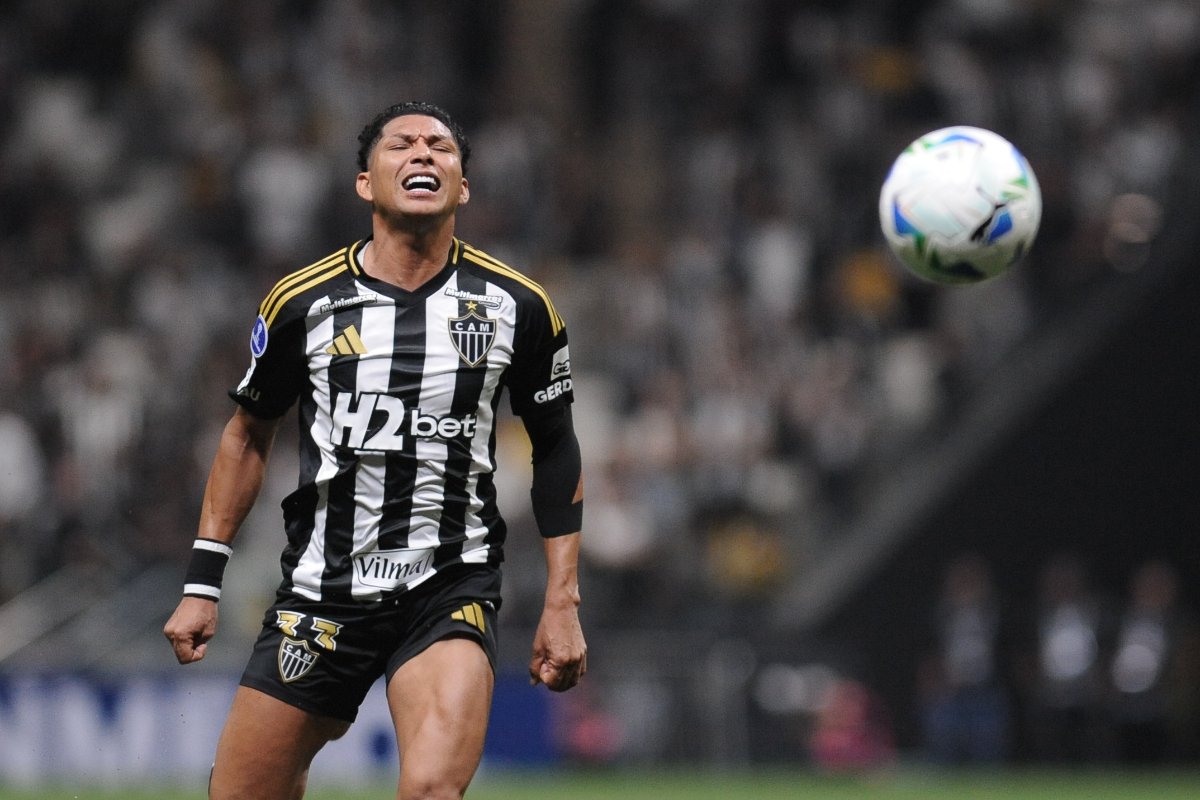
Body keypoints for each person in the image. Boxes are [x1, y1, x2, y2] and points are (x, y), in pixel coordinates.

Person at [163, 101, 587, 799]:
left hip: (450, 585)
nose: (423, 154)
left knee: (430, 790)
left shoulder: (520, 305)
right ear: (365, 182)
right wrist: (202, 583)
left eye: (441, 147)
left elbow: (557, 447)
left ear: (463, 185)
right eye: (402, 144)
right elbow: (247, 434)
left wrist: (563, 602)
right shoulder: (301, 302)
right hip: (323, 592)